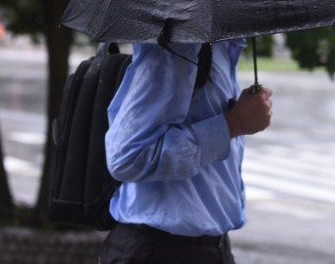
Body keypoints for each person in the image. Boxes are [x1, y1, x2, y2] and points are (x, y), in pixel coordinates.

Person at [100, 39, 273, 264]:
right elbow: (125, 157)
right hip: (161, 250)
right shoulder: (179, 48)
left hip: (207, 248)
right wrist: (233, 124)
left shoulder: (220, 46)